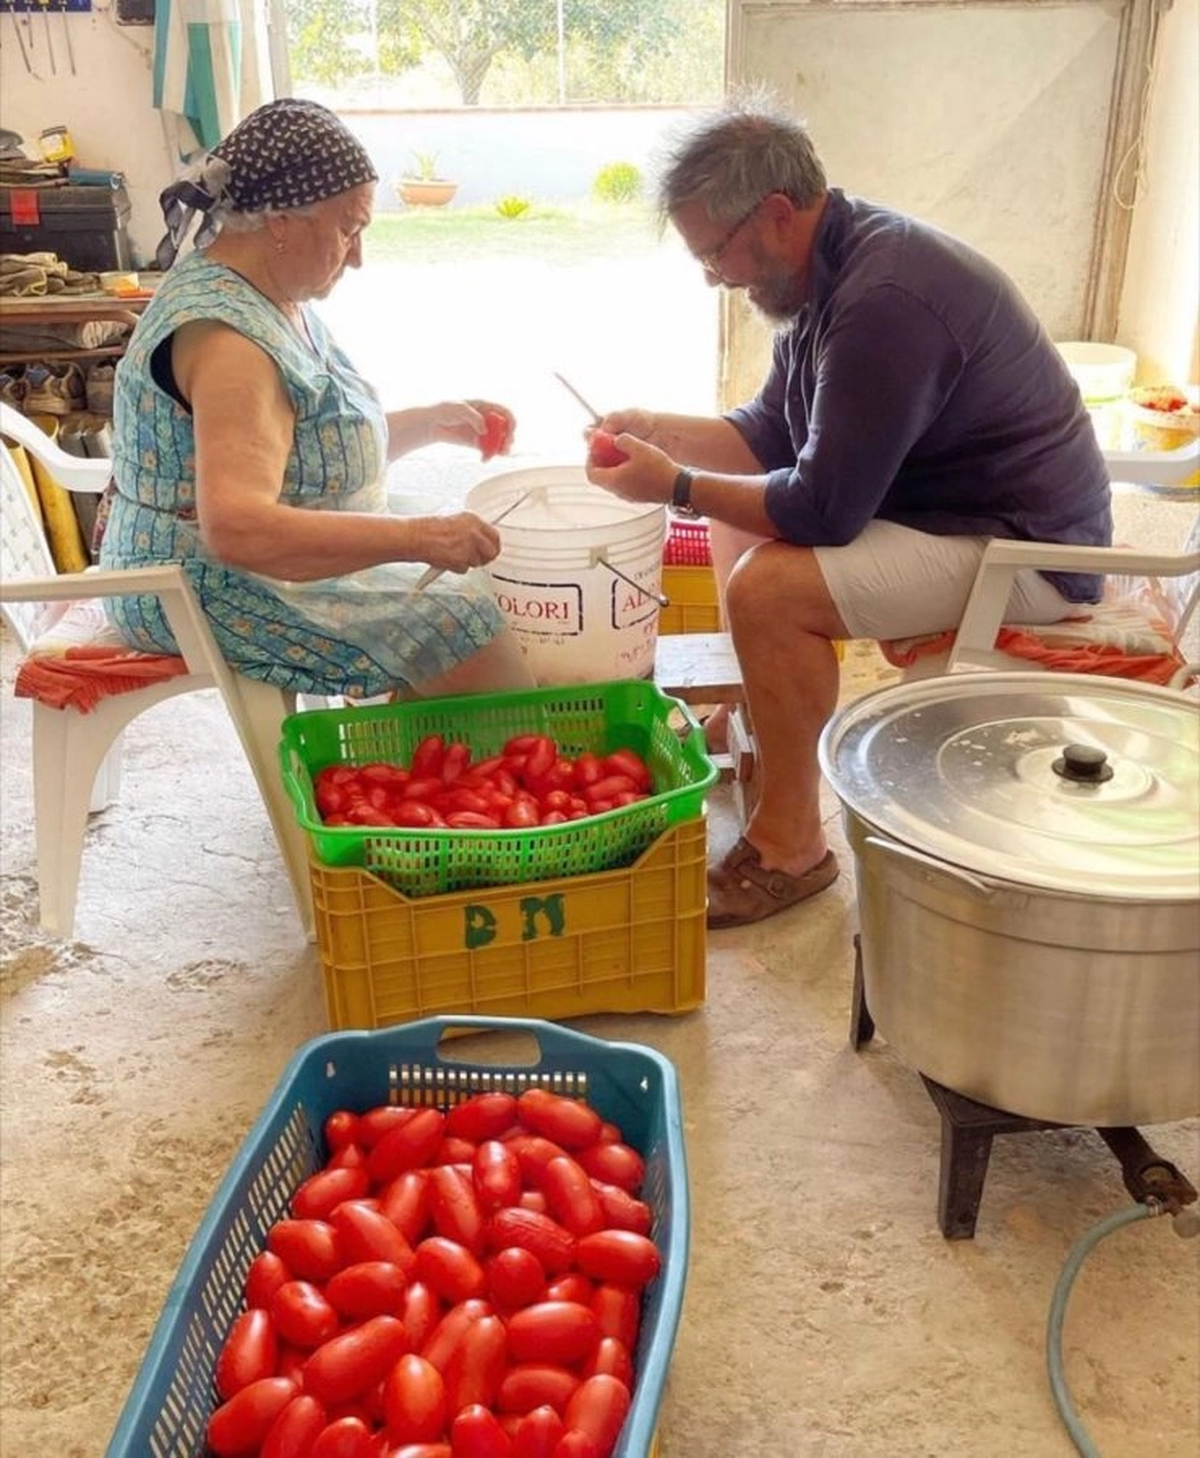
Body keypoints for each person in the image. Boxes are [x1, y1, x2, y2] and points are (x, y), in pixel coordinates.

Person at [584, 95, 1112, 929]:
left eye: (713, 253)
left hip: (1028, 550)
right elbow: (767, 434)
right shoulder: (822, 268)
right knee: (737, 518)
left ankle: (794, 844)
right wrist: (658, 431)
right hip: (947, 507)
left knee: (768, 588)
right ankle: (764, 713)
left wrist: (673, 485)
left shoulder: (884, 302)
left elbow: (823, 508)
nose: (713, 275)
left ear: (777, 214)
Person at [99, 98, 533, 702]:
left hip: (232, 559)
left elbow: (306, 445)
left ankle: (418, 767)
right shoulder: (229, 343)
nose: (358, 256)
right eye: (349, 229)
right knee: (456, 618)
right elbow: (239, 530)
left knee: (458, 570)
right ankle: (473, 774)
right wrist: (418, 538)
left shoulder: (271, 291)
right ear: (280, 221)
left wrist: (432, 422)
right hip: (198, 580)